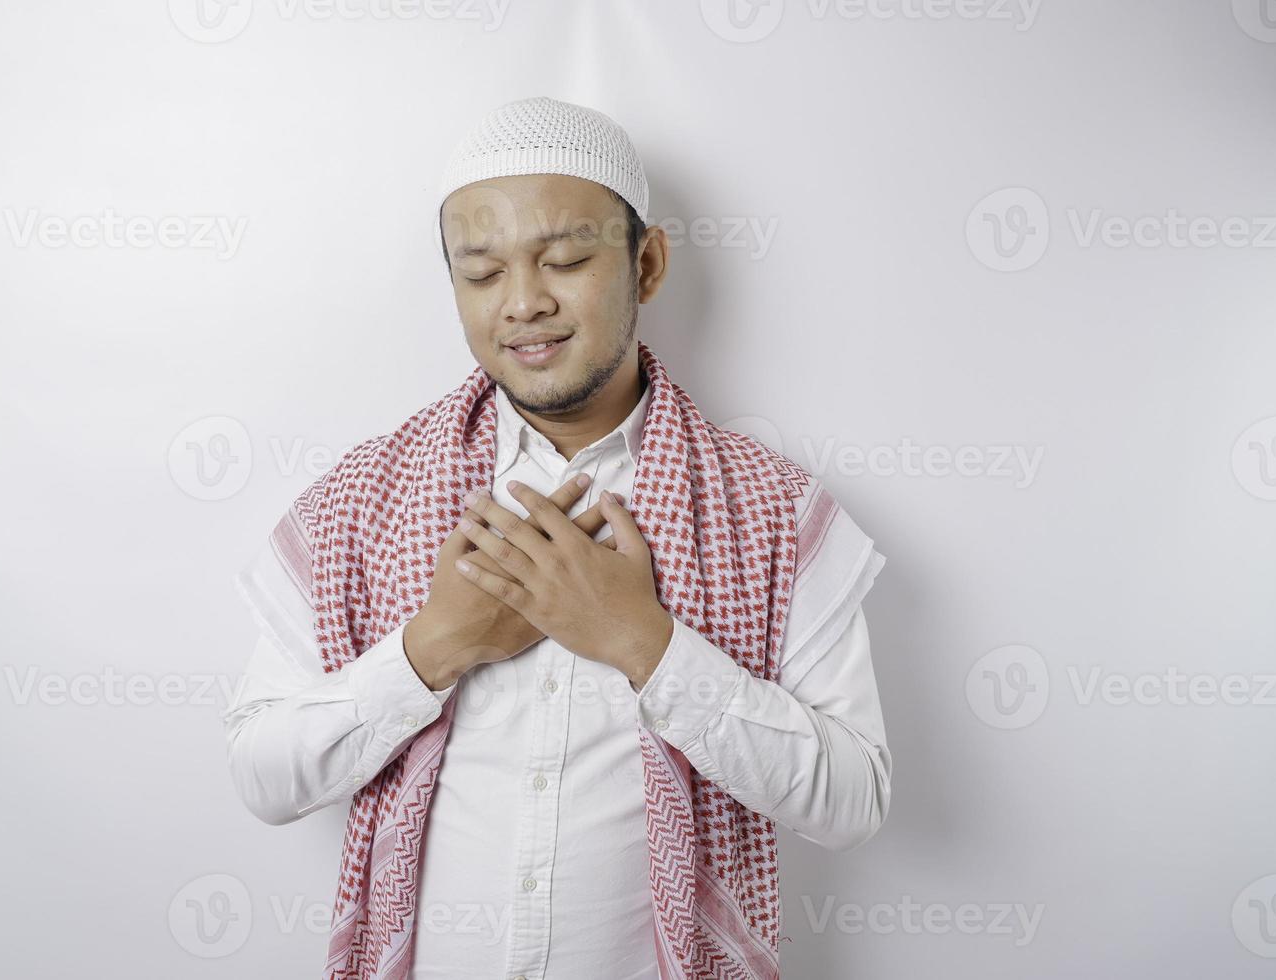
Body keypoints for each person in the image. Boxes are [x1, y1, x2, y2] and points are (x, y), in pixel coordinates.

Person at [223, 95, 890, 980]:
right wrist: (438, 645)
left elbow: (854, 800)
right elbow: (264, 780)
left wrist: (641, 642)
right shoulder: (363, 500)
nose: (524, 303)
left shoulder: (769, 511)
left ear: (645, 264)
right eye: (482, 272)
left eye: (567, 259)